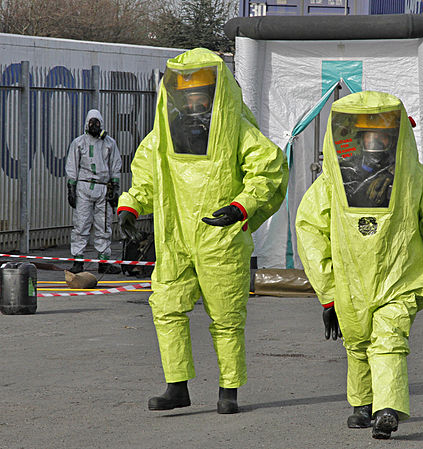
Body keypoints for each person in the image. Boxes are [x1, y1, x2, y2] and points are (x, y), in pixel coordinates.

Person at [117, 48, 288, 414]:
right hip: (175, 233)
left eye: (200, 96)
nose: (194, 104)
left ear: (214, 95)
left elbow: (269, 168)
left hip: (220, 235)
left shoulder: (235, 129)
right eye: (187, 96)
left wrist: (242, 206)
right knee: (165, 307)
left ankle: (229, 391)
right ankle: (176, 385)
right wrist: (130, 207)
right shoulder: (164, 132)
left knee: (226, 316)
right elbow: (147, 173)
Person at [295, 91, 423, 439]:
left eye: (381, 136)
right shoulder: (333, 182)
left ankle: (386, 408)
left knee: (387, 340)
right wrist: (328, 294)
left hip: (401, 280)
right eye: (368, 136)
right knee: (357, 342)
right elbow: (311, 232)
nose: (375, 144)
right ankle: (362, 405)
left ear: (395, 137)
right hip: (349, 284)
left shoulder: (414, 178)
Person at [65, 109, 122, 274]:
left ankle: (104, 261)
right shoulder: (79, 143)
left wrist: (115, 188)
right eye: (92, 122)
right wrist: (71, 188)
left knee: (104, 225)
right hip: (84, 187)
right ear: (86, 123)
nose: (94, 125)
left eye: (97, 122)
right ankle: (78, 260)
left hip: (103, 188)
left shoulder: (109, 143)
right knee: (80, 224)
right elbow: (72, 166)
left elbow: (115, 165)